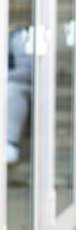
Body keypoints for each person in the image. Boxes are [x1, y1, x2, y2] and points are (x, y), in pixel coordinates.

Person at [7, 26, 33, 165]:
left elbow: (27, 70)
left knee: (13, 89)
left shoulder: (17, 37)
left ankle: (9, 144)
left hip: (16, 88)